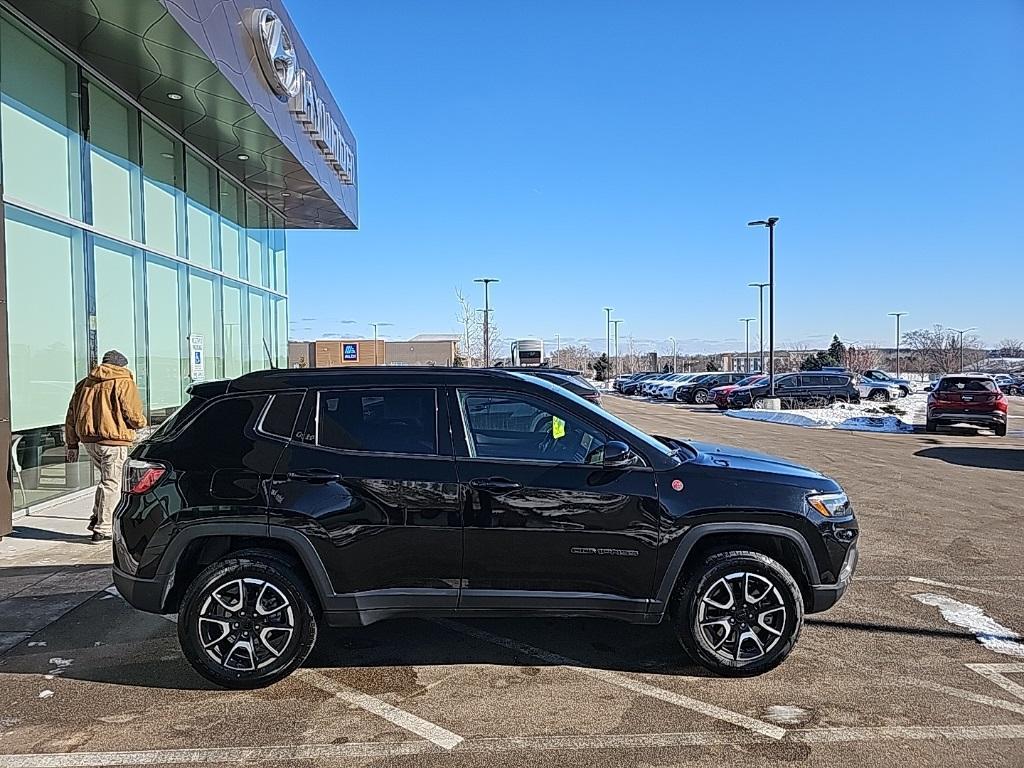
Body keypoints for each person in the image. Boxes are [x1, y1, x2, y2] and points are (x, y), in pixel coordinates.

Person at [64, 350, 147, 543]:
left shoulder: (84, 384)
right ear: (121, 365)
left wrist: (72, 443)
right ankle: (103, 528)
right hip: (113, 440)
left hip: (88, 440)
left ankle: (96, 518)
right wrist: (142, 423)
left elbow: (71, 415)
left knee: (106, 481)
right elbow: (133, 414)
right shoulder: (124, 381)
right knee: (112, 483)